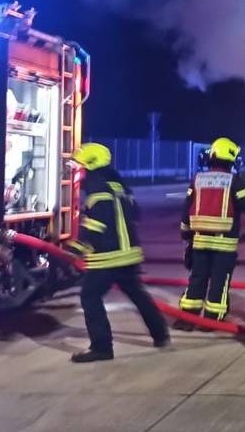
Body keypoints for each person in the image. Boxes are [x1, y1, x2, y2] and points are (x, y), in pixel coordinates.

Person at [67, 143, 169, 363]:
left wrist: (76, 249)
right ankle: (160, 334)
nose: (78, 171)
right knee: (137, 294)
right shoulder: (117, 184)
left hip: (108, 256)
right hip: (129, 254)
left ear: (91, 166)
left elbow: (95, 226)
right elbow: (136, 214)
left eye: (80, 166)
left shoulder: (97, 188)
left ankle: (101, 347)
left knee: (90, 296)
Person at [174, 137, 245, 330]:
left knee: (197, 278)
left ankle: (189, 317)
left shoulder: (197, 179)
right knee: (220, 280)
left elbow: (187, 210)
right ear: (230, 158)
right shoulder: (234, 181)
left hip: (200, 241)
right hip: (224, 244)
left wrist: (186, 236)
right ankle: (211, 319)